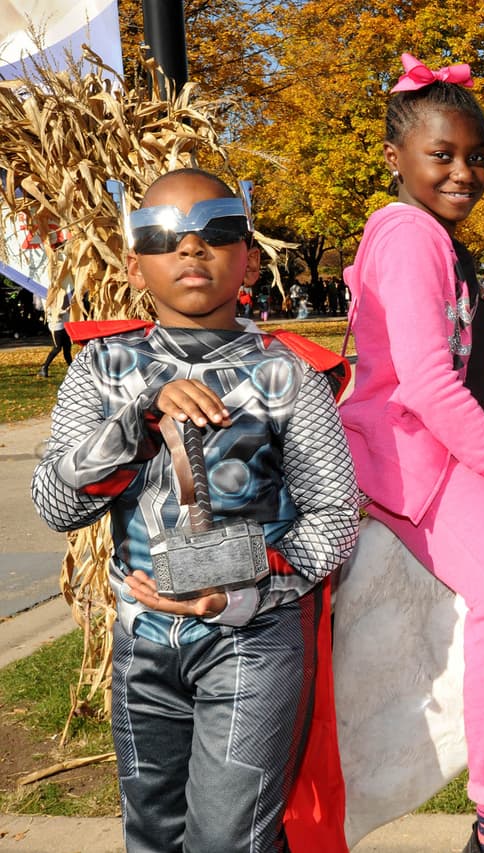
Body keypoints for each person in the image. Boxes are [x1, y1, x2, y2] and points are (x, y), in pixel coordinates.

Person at [30, 167, 360, 852]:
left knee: (228, 840)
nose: (190, 247)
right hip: (143, 642)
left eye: (218, 230)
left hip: (254, 641)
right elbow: (56, 505)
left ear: (250, 258)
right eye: (162, 235)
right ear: (134, 264)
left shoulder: (289, 374)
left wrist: (241, 588)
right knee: (152, 835)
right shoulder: (101, 368)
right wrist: (136, 420)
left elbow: (334, 518)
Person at [338, 54, 484, 853]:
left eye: (475, 156)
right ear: (395, 157)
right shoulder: (409, 237)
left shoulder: (432, 235)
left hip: (430, 438)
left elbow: (471, 379)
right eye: (442, 155)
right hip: (410, 455)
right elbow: (429, 384)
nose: (463, 172)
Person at [36, 273, 73, 378]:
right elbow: (50, 311)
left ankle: (73, 369)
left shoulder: (64, 292)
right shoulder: (47, 296)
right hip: (56, 325)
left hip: (66, 324)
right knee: (57, 348)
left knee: (67, 349)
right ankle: (44, 367)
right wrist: (65, 310)